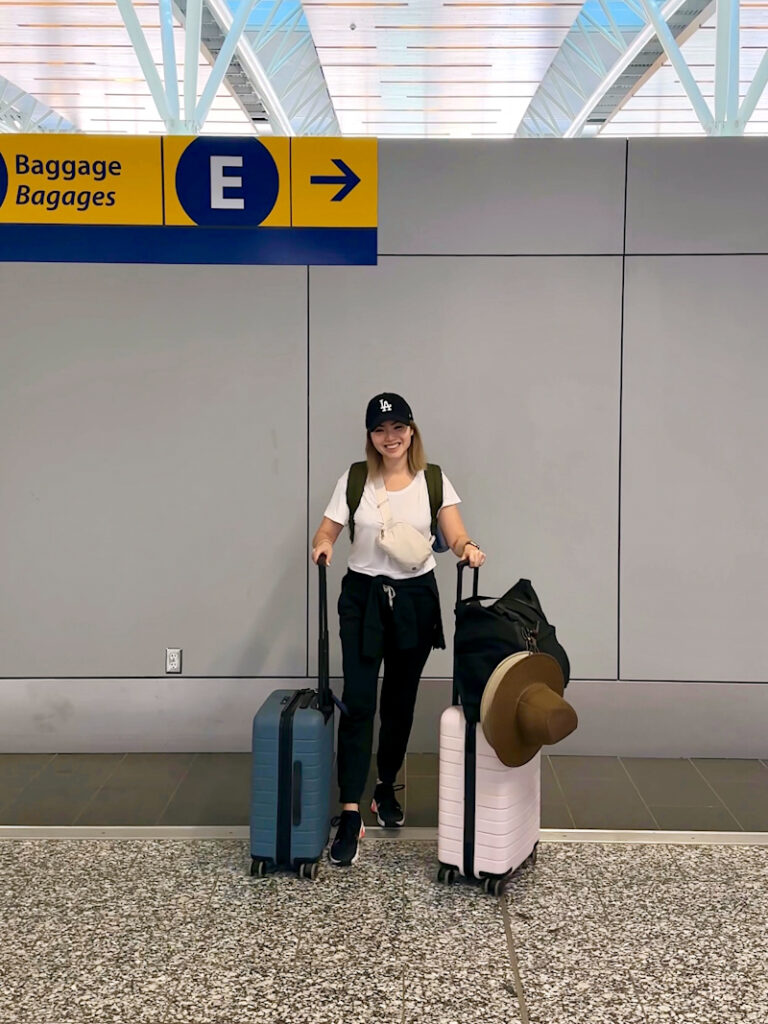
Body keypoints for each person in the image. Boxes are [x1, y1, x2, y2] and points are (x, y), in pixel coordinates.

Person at [311, 392, 486, 866]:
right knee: (359, 701)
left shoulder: (433, 480)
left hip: (414, 599)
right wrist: (323, 544)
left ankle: (385, 786)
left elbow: (454, 533)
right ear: (370, 435)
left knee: (400, 702)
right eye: (380, 429)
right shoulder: (355, 479)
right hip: (363, 598)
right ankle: (350, 810)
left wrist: (468, 548)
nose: (390, 437)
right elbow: (327, 529)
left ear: (412, 430)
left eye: (398, 427)